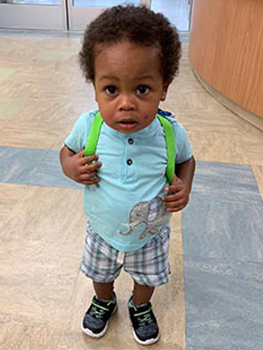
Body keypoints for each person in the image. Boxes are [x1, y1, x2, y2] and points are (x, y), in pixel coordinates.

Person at [60, 4, 195, 346]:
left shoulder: (170, 132)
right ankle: (104, 300)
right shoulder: (88, 127)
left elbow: (187, 160)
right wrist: (71, 167)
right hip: (101, 228)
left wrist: (185, 186)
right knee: (100, 274)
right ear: (94, 88)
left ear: (164, 87)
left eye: (142, 89)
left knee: (146, 276)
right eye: (111, 89)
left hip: (150, 231)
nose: (126, 103)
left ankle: (140, 305)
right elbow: (66, 152)